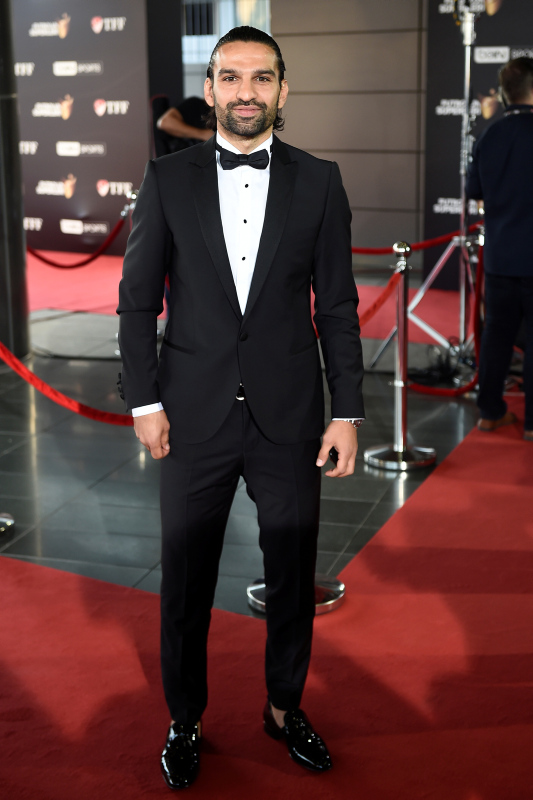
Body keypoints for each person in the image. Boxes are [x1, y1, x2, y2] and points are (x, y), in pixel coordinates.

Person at [117, 26, 364, 790]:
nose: (246, 91)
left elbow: (338, 307)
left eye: (261, 77)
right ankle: (184, 718)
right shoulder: (168, 178)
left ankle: (284, 708)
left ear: (283, 90)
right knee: (185, 581)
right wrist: (144, 400)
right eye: (231, 77)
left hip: (290, 415)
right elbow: (136, 302)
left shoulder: (319, 180)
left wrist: (347, 412)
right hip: (190, 414)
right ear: (211, 89)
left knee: (291, 574)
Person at [466, 56, 533, 441]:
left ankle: (490, 412)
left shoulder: (489, 135)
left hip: (501, 256)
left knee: (496, 336)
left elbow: (475, 191)